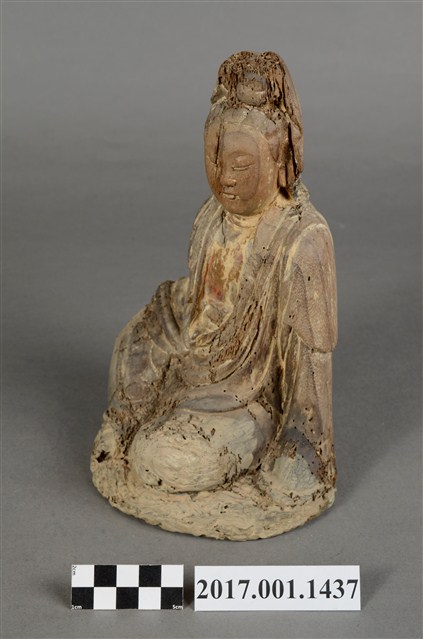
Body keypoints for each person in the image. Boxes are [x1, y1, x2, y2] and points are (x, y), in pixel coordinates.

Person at [91, 51, 338, 540]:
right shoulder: (212, 217)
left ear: (279, 161)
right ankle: (126, 418)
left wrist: (301, 447)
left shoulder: (301, 241)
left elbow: (310, 366)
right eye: (215, 160)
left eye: (241, 164)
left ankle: (152, 432)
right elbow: (199, 306)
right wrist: (166, 329)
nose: (225, 177)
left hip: (246, 391)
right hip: (194, 350)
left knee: (162, 459)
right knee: (132, 340)